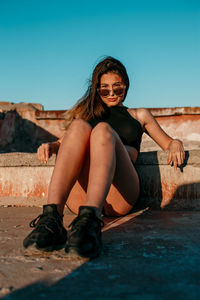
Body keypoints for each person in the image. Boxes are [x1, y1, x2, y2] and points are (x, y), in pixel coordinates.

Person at [23, 57, 185, 258]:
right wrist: (51, 146)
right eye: (104, 89)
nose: (111, 94)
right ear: (96, 89)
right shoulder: (87, 114)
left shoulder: (139, 115)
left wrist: (176, 142)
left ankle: (90, 224)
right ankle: (51, 220)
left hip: (121, 194)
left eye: (117, 88)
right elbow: (61, 142)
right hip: (79, 198)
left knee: (102, 131)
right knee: (79, 126)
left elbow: (168, 142)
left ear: (126, 86)